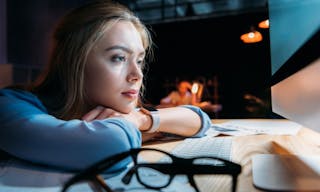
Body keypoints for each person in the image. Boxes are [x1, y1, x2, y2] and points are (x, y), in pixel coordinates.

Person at [0, 0, 211, 173]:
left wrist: (141, 119)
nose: (137, 75)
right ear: (75, 62)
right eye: (118, 58)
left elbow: (199, 119)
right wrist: (135, 124)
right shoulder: (8, 105)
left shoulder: (115, 112)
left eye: (139, 60)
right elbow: (111, 146)